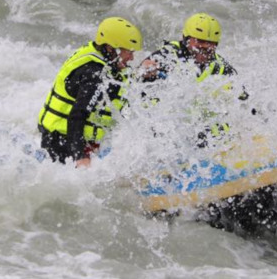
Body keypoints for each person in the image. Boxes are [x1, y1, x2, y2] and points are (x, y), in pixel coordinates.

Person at [37, 17, 143, 167]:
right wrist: (80, 155)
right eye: (128, 52)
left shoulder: (104, 61)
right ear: (110, 48)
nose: (131, 58)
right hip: (62, 142)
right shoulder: (94, 74)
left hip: (80, 139)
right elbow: (77, 115)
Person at [140, 13, 249, 144]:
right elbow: (143, 69)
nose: (206, 47)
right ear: (186, 39)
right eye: (200, 41)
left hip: (197, 121)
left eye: (211, 43)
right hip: (164, 122)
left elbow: (244, 100)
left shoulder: (222, 67)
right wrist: (146, 69)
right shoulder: (169, 53)